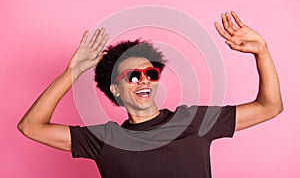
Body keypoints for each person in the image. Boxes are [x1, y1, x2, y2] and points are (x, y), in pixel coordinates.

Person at [18, 11, 283, 178]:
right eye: (133, 76)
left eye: (150, 74)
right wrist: (71, 73)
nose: (144, 80)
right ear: (115, 88)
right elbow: (30, 127)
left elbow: (269, 107)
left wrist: (262, 52)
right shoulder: (103, 139)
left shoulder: (193, 120)